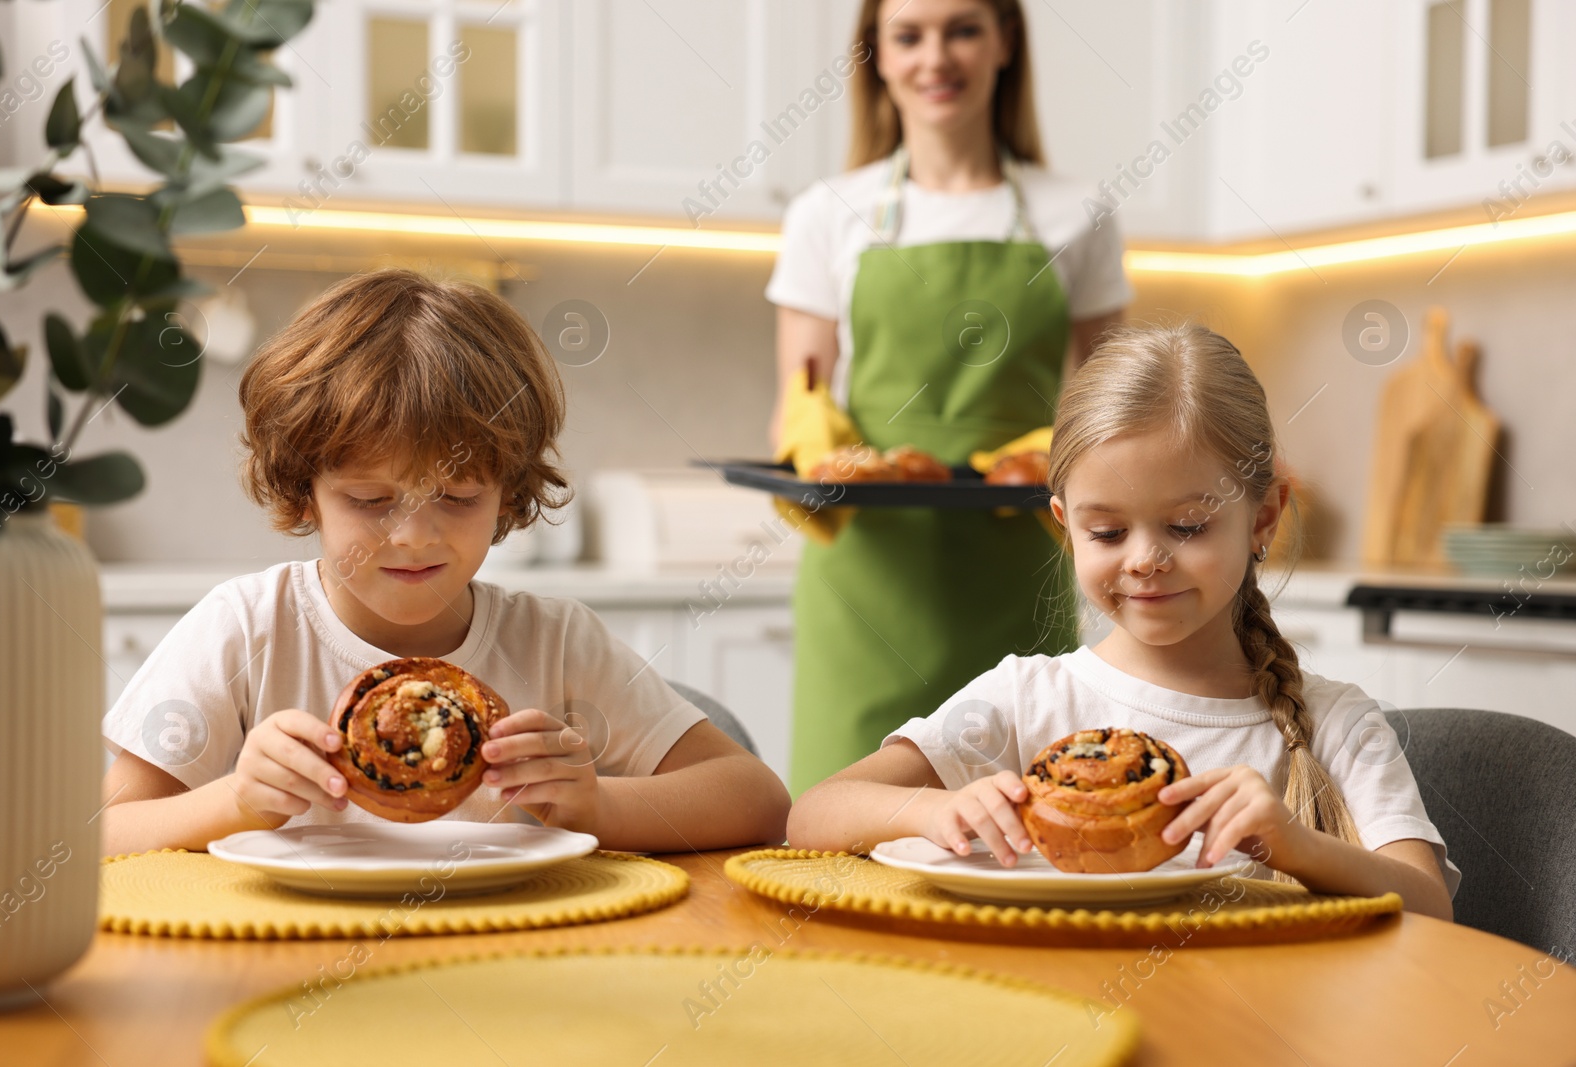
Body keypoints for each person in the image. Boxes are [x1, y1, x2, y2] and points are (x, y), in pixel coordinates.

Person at [99, 269, 791, 855]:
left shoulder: (556, 643)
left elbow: (757, 801)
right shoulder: (246, 630)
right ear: (303, 489)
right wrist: (233, 801)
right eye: (370, 499)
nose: (413, 537)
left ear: (508, 494)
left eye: (457, 497)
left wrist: (598, 806)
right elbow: (99, 834)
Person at [788, 324, 1458, 920]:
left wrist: (1299, 845)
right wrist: (931, 809)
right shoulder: (1026, 699)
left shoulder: (1335, 722)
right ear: (1066, 527)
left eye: (1187, 526)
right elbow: (811, 813)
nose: (1145, 560)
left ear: (1262, 518)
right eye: (1107, 531)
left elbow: (1430, 906)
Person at [766, 0, 1132, 793]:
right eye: (909, 35)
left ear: (1005, 41)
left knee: (1025, 827)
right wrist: (816, 467)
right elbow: (800, 399)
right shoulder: (826, 215)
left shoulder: (1080, 212)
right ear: (880, 57)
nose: (937, 57)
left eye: (963, 29)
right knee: (844, 836)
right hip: (868, 577)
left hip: (1016, 567)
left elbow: (1117, 407)